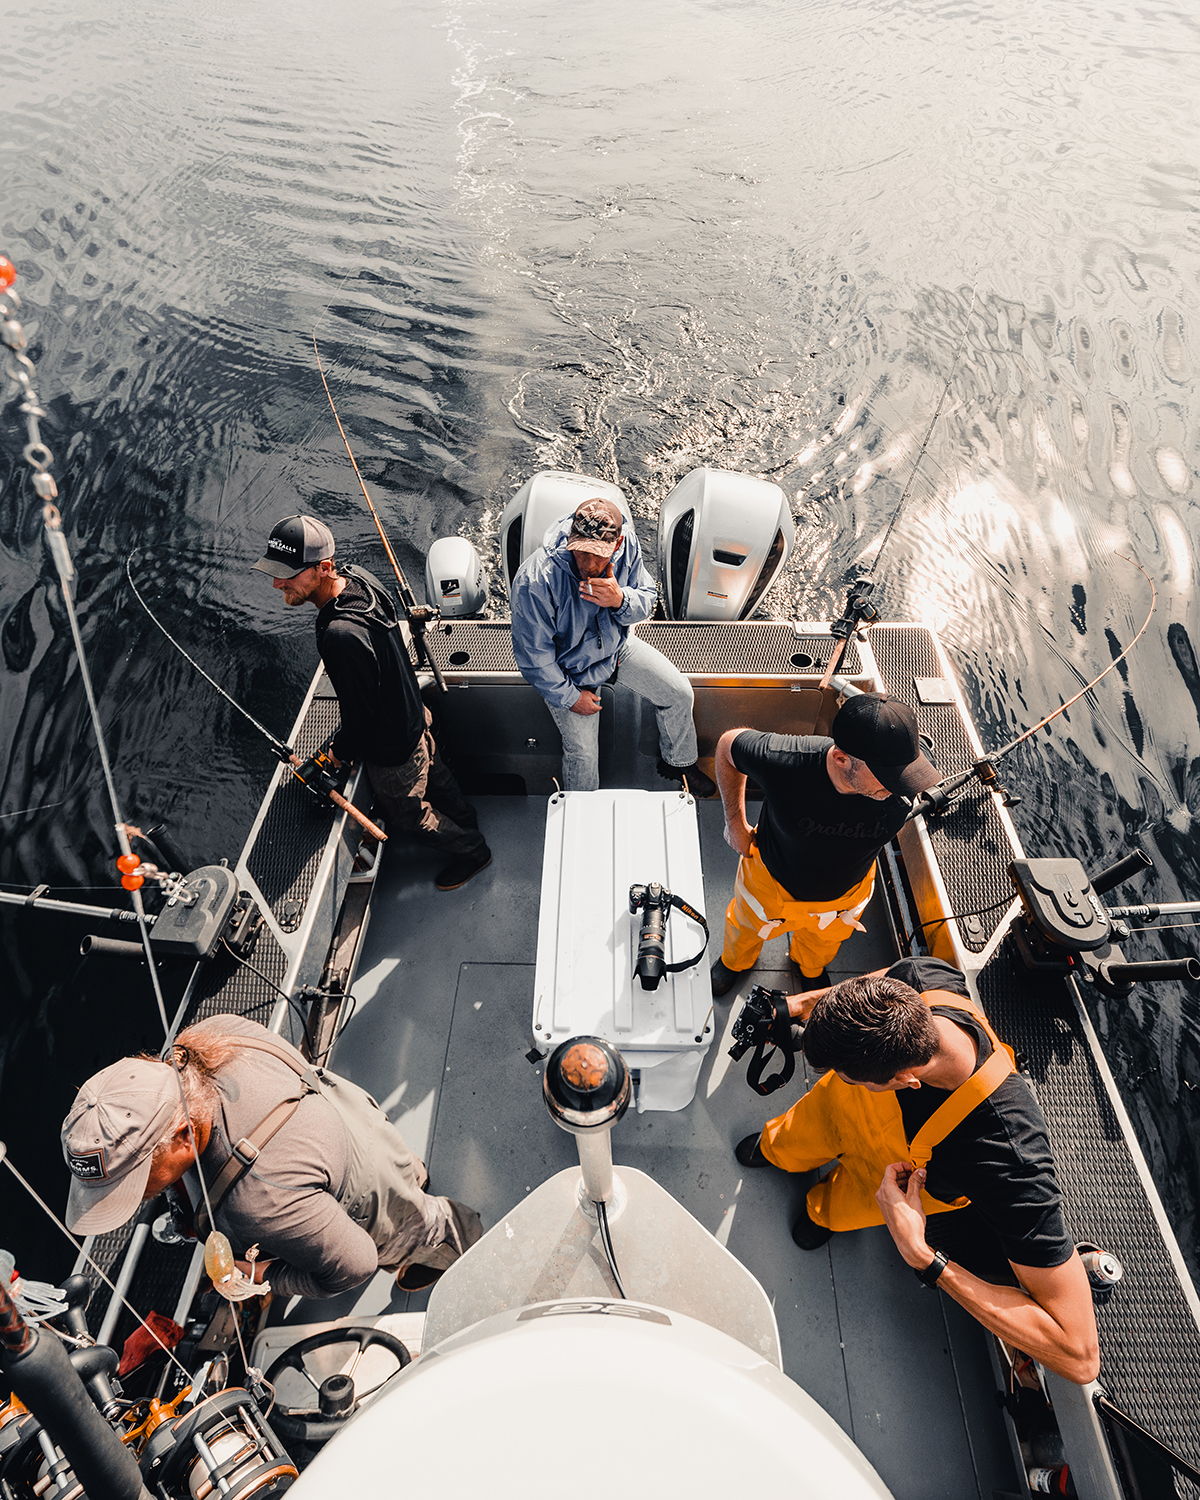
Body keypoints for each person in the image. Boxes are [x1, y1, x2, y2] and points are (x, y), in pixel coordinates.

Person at [735, 956, 1100, 1385]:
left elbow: (1079, 1356)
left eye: (847, 1074)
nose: (836, 1075)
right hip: (842, 1109)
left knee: (843, 1207)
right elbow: (879, 978)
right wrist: (796, 1006)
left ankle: (821, 1212)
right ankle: (777, 1149)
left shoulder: (1007, 1158)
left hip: (898, 1181)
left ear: (908, 1080)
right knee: (791, 1139)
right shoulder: (924, 976)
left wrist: (925, 1259)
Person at [62, 1014, 483, 1296]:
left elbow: (356, 1265)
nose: (133, 1197)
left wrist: (260, 1276)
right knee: (402, 1168)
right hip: (357, 1121)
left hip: (362, 1195)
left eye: (134, 1182)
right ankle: (413, 1175)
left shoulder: (258, 1204)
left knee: (419, 1228)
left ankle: (456, 1242)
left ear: (184, 1136)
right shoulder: (205, 1036)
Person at [253, 514, 490, 891]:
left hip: (394, 749)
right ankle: (467, 819)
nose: (277, 582)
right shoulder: (359, 578)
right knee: (440, 779)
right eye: (275, 571)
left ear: (324, 568)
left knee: (409, 815)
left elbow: (361, 720)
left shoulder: (339, 635)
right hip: (416, 715)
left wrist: (334, 753)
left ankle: (472, 849)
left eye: (288, 574)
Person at [710, 692, 939, 998]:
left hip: (844, 895)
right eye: (887, 777)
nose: (902, 787)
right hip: (770, 881)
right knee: (745, 926)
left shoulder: (905, 777)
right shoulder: (787, 761)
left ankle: (810, 968)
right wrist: (735, 823)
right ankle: (735, 963)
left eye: (908, 775)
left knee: (824, 943)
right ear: (841, 758)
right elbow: (728, 745)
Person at [509, 497, 716, 796]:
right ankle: (580, 811)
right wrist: (571, 697)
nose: (589, 565)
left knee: (679, 693)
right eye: (582, 552)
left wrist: (620, 601)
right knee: (583, 756)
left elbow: (646, 598)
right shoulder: (535, 581)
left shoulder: (628, 545)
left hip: (617, 651)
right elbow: (534, 659)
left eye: (599, 555)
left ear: (617, 544)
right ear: (571, 537)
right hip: (570, 673)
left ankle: (678, 764)